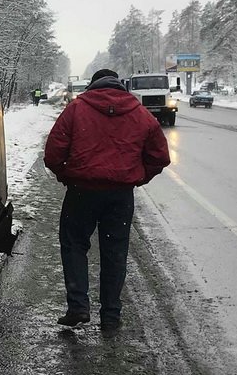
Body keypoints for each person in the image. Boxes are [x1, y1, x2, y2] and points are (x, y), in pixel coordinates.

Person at [42, 68, 171, 335]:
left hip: (81, 192)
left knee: (74, 245)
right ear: (120, 86)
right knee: (115, 253)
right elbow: (159, 156)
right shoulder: (139, 113)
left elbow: (53, 152)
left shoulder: (77, 109)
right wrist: (136, 178)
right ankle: (110, 316)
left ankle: (78, 306)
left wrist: (66, 174)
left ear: (93, 85)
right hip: (119, 196)